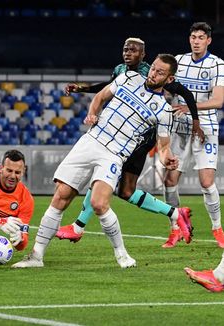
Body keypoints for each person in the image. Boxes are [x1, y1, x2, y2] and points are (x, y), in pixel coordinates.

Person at [12, 54, 187, 269]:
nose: (153, 73)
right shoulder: (128, 78)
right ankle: (36, 256)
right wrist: (92, 114)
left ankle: (122, 256)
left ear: (169, 79)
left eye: (160, 72)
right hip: (91, 141)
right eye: (153, 68)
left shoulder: (163, 110)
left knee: (99, 203)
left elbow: (163, 145)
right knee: (61, 195)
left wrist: (166, 157)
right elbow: (100, 98)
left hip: (113, 154)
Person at [59, 37, 203, 248]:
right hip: (119, 137)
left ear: (143, 55)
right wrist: (83, 89)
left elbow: (183, 92)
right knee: (125, 191)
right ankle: (175, 213)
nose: (128, 53)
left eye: (133, 50)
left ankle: (78, 226)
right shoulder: (122, 72)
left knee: (104, 175)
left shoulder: (147, 74)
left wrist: (195, 121)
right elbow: (106, 89)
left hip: (139, 139)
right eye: (126, 49)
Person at [164, 22, 224, 248]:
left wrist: (189, 107)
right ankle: (175, 228)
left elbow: (218, 101)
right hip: (179, 129)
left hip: (205, 129)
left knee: (207, 182)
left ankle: (217, 228)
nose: (196, 41)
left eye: (201, 37)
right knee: (169, 179)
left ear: (208, 40)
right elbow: (167, 90)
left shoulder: (217, 64)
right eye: (193, 37)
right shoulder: (178, 61)